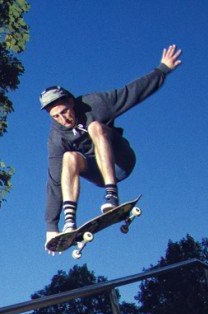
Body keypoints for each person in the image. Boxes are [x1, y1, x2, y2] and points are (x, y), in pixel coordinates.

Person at [41, 45, 183, 253]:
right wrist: (51, 227)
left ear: (71, 102)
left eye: (65, 112)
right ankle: (69, 221)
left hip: (121, 161)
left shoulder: (95, 104)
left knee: (95, 127)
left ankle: (111, 196)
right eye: (56, 117)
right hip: (96, 170)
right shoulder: (56, 138)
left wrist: (162, 70)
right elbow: (54, 181)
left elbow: (130, 94)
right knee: (69, 158)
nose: (64, 120)